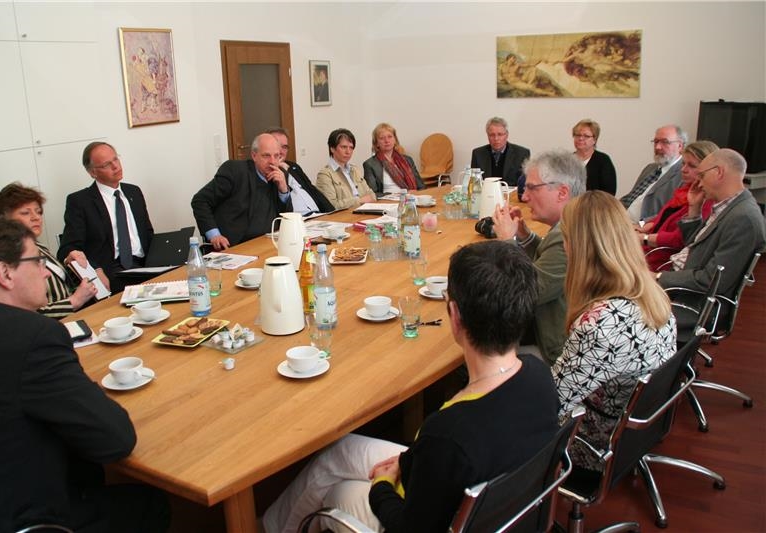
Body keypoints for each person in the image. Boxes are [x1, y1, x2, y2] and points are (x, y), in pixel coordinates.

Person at [263, 241, 559, 533]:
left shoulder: (448, 434)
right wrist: (408, 463)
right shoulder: (540, 376)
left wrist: (381, 485)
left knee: (336, 491)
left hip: (426, 510)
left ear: (454, 316)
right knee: (338, 453)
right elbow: (440, 456)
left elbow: (409, 524)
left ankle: (275, 528)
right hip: (499, 506)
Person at [0, 216, 170, 533]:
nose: (46, 272)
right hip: (25, 516)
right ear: (4, 273)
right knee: (149, 502)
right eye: (36, 262)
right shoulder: (33, 337)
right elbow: (116, 440)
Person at [553, 191, 676, 471]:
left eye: (565, 238)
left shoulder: (601, 324)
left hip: (592, 445)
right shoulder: (652, 294)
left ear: (577, 246)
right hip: (636, 430)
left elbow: (553, 404)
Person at [489, 150, 586, 366]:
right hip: (554, 335)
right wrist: (525, 236)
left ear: (562, 192)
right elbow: (548, 262)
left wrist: (507, 241)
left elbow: (523, 293)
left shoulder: (568, 234)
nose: (524, 196)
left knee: (478, 351)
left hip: (555, 352)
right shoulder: (575, 222)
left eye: (532, 188)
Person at [657, 148, 766, 298]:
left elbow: (711, 281)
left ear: (719, 172)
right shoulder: (727, 206)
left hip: (685, 299)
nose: (698, 183)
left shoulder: (743, 218)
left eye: (701, 175)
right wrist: (694, 208)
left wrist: (658, 277)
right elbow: (693, 246)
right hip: (677, 281)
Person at [0, 182, 109, 318]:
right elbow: (25, 313)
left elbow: (62, 286)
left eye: (38, 212)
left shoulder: (39, 247)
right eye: (25, 213)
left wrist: (73, 267)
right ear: (3, 219)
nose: (36, 217)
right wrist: (75, 301)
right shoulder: (7, 258)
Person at [58, 142, 154, 294]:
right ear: (92, 172)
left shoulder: (133, 192)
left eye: (116, 159)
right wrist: (95, 269)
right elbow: (68, 248)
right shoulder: (80, 201)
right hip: (111, 271)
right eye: (107, 164)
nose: (116, 166)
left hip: (147, 264)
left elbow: (148, 233)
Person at [192, 133, 292, 250]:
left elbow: (288, 218)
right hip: (234, 246)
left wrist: (284, 190)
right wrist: (214, 235)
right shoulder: (235, 171)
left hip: (267, 243)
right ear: (254, 156)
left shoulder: (280, 175)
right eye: (266, 156)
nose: (272, 161)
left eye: (277, 156)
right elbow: (200, 201)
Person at [635, 141, 718, 271]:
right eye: (683, 163)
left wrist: (643, 238)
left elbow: (680, 239)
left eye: (691, 166)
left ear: (707, 170)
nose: (683, 170)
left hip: (659, 260)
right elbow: (662, 217)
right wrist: (642, 227)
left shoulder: (705, 200)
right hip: (647, 246)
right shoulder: (684, 190)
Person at [620, 124, 687, 222]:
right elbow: (631, 197)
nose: (658, 147)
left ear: (680, 146)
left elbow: (670, 214)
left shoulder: (684, 174)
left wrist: (640, 225)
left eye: (665, 142)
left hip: (643, 227)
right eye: (656, 141)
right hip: (622, 219)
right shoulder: (650, 168)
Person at [265, 127, 335, 215]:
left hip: (318, 215)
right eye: (277, 146)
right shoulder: (264, 173)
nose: (281, 151)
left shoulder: (293, 166)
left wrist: (333, 213)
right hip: (299, 221)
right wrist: (283, 172)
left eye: (285, 147)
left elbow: (312, 190)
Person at [316, 128, 377, 210]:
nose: (348, 151)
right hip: (345, 216)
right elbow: (331, 206)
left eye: (351, 148)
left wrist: (365, 200)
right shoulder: (325, 174)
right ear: (332, 149)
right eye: (344, 147)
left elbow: (371, 194)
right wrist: (360, 201)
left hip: (364, 211)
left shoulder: (354, 169)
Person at [362, 123, 425, 195]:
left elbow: (421, 186)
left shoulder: (408, 160)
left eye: (390, 137)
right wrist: (399, 194)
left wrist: (416, 193)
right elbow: (373, 193)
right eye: (382, 138)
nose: (387, 141)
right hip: (387, 202)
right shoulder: (370, 164)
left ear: (395, 140)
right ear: (376, 143)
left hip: (411, 199)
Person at [470, 117, 531, 187]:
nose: (496, 139)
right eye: (492, 135)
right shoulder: (478, 154)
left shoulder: (522, 154)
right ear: (487, 135)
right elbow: (474, 183)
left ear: (506, 135)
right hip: (486, 194)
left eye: (500, 134)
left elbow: (524, 184)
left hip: (511, 195)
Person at [571, 118, 617, 194]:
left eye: (586, 136)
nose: (581, 138)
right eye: (577, 135)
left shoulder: (603, 161)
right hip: (571, 204)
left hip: (596, 204)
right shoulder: (567, 161)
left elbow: (609, 192)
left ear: (595, 140)